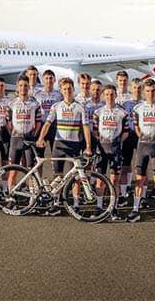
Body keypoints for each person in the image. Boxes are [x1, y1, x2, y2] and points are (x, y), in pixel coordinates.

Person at [36, 77, 92, 216]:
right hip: (59, 144)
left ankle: (76, 204)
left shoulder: (80, 107)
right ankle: (55, 203)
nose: (67, 91)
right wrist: (41, 138)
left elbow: (85, 127)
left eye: (69, 88)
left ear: (73, 89)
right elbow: (47, 124)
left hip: (74, 145)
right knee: (58, 175)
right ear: (61, 91)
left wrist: (88, 146)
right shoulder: (56, 106)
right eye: (65, 89)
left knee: (76, 176)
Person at [127, 79, 155, 224]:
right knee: (140, 179)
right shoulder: (137, 108)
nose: (150, 94)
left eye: (153, 91)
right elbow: (136, 127)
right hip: (142, 147)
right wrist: (142, 137)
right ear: (143, 92)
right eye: (147, 91)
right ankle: (135, 209)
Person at [5, 75, 43, 208]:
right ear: (17, 87)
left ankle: (32, 199)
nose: (23, 88)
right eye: (21, 86)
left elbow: (38, 123)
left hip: (29, 139)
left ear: (29, 87)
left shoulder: (35, 104)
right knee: (13, 169)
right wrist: (14, 134)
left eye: (25, 86)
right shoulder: (11, 104)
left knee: (30, 169)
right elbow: (8, 123)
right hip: (15, 139)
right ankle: (11, 198)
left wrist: (33, 135)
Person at [92, 84, 129, 220]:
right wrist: (102, 141)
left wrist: (116, 142)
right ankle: (99, 207)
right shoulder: (98, 112)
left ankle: (114, 208)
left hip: (115, 150)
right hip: (101, 149)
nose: (109, 97)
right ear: (103, 96)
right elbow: (95, 132)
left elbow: (125, 133)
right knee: (100, 179)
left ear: (116, 95)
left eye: (112, 94)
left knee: (114, 180)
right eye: (107, 94)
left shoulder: (122, 113)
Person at [118, 78, 142, 206]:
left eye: (139, 88)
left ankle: (142, 196)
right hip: (128, 135)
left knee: (141, 167)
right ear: (131, 89)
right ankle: (123, 192)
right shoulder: (126, 104)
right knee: (125, 165)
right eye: (135, 88)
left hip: (141, 136)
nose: (137, 90)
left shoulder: (144, 103)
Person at [34, 69, 63, 152]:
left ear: (54, 80)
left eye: (51, 78)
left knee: (55, 152)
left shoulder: (59, 95)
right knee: (39, 153)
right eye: (46, 78)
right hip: (41, 125)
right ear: (43, 80)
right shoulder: (37, 94)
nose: (49, 80)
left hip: (54, 125)